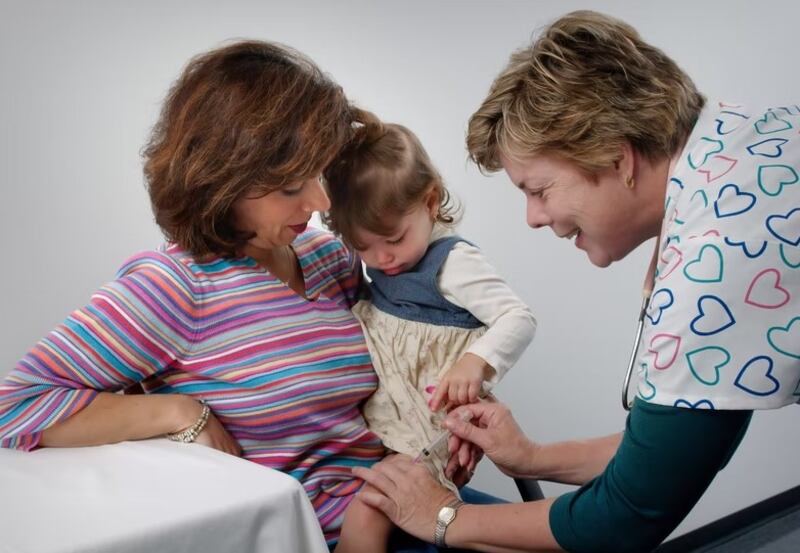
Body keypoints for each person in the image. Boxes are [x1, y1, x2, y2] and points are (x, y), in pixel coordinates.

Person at [351, 10, 800, 552]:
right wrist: (532, 458)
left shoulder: (715, 254)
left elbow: (628, 516)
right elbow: (688, 447)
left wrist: (442, 516)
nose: (533, 218)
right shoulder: (741, 147)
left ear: (618, 157)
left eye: (539, 189)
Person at [0, 40, 468, 553]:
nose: (321, 202)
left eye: (319, 173)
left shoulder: (327, 258)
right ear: (222, 181)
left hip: (411, 507)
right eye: (291, 187)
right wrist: (179, 412)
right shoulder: (175, 287)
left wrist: (454, 421)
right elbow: (17, 406)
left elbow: (400, 366)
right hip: (314, 537)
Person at [323, 114, 537, 497]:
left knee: (374, 506)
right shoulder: (375, 264)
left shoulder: (452, 264)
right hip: (386, 420)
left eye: (394, 238)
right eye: (363, 246)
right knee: (370, 500)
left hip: (427, 424)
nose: (383, 258)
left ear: (431, 202)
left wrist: (475, 361)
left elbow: (518, 318)